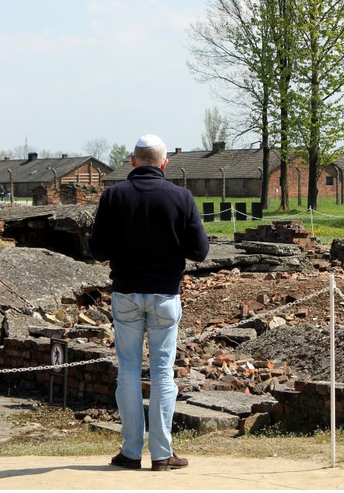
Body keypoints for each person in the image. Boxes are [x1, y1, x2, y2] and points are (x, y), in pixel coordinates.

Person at [88, 134, 209, 471]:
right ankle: (161, 454)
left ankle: (129, 452)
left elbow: (97, 250)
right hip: (165, 294)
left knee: (127, 371)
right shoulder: (181, 197)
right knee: (162, 372)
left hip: (126, 292)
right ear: (164, 163)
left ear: (132, 160)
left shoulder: (113, 196)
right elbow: (199, 251)